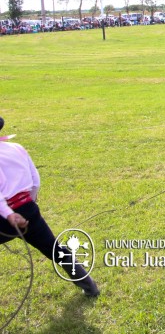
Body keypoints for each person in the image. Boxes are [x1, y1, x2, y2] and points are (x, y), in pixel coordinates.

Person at [0, 116, 100, 296]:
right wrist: (28, 203)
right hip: (28, 209)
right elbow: (35, 180)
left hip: (4, 217)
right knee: (54, 249)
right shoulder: (17, 149)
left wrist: (9, 213)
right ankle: (89, 286)